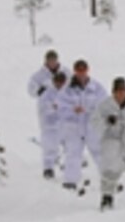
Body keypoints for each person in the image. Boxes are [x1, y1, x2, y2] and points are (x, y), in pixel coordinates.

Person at [58, 59, 107, 191]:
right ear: (75, 71)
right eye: (78, 71)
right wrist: (72, 110)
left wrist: (91, 110)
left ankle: (108, 179)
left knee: (98, 152)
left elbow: (104, 103)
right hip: (74, 126)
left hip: (91, 126)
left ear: (87, 70)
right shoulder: (67, 89)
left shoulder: (96, 87)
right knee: (73, 153)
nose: (81, 73)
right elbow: (61, 106)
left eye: (83, 70)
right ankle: (71, 180)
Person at [91, 77, 125, 211]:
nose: (121, 94)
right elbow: (94, 122)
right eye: (118, 91)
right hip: (111, 140)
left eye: (123, 91)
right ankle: (107, 196)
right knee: (110, 169)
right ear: (113, 92)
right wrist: (106, 122)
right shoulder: (105, 105)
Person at [28, 50, 70, 177]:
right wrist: (40, 91)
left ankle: (69, 164)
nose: (52, 63)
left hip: (65, 111)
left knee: (69, 138)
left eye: (54, 60)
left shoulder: (67, 72)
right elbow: (31, 89)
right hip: (48, 113)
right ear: (46, 61)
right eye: (49, 60)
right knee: (50, 140)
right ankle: (48, 167)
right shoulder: (39, 76)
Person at [37, 71, 67, 180]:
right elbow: (43, 108)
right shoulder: (47, 93)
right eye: (57, 82)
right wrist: (52, 108)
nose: (59, 84)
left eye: (61, 82)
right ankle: (48, 169)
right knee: (50, 148)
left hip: (65, 125)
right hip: (50, 125)